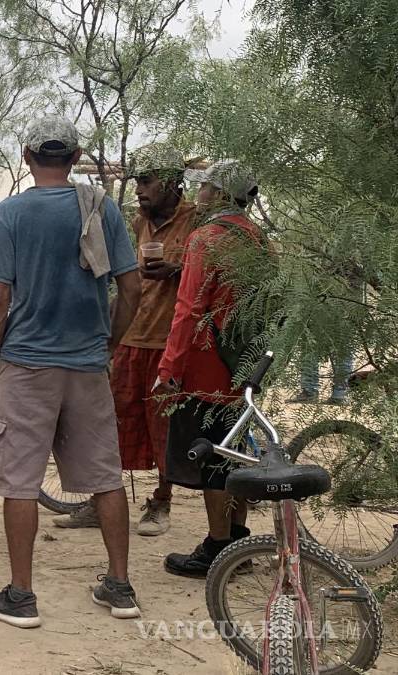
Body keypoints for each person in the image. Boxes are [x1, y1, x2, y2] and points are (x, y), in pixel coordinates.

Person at [0, 116, 142, 628]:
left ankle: (21, 596)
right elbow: (131, 289)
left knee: (19, 481)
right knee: (105, 477)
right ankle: (119, 586)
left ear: (27, 156)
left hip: (27, 364)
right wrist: (108, 342)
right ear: (75, 157)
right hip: (87, 364)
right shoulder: (102, 209)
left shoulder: (11, 214)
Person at [53, 144, 197, 537]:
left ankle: (161, 503)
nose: (139, 190)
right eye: (136, 182)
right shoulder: (138, 223)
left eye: (146, 182)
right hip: (131, 333)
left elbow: (210, 276)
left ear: (171, 183)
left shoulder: (197, 222)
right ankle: (101, 501)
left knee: (163, 428)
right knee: (111, 423)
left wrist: (177, 270)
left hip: (169, 343)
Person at [155, 160, 264, 578]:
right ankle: (238, 542)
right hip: (244, 366)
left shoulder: (207, 239)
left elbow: (188, 309)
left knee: (212, 456)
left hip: (206, 365)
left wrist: (169, 368)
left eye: (204, 189)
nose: (197, 195)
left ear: (218, 194)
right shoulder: (258, 240)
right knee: (234, 451)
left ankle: (218, 550)